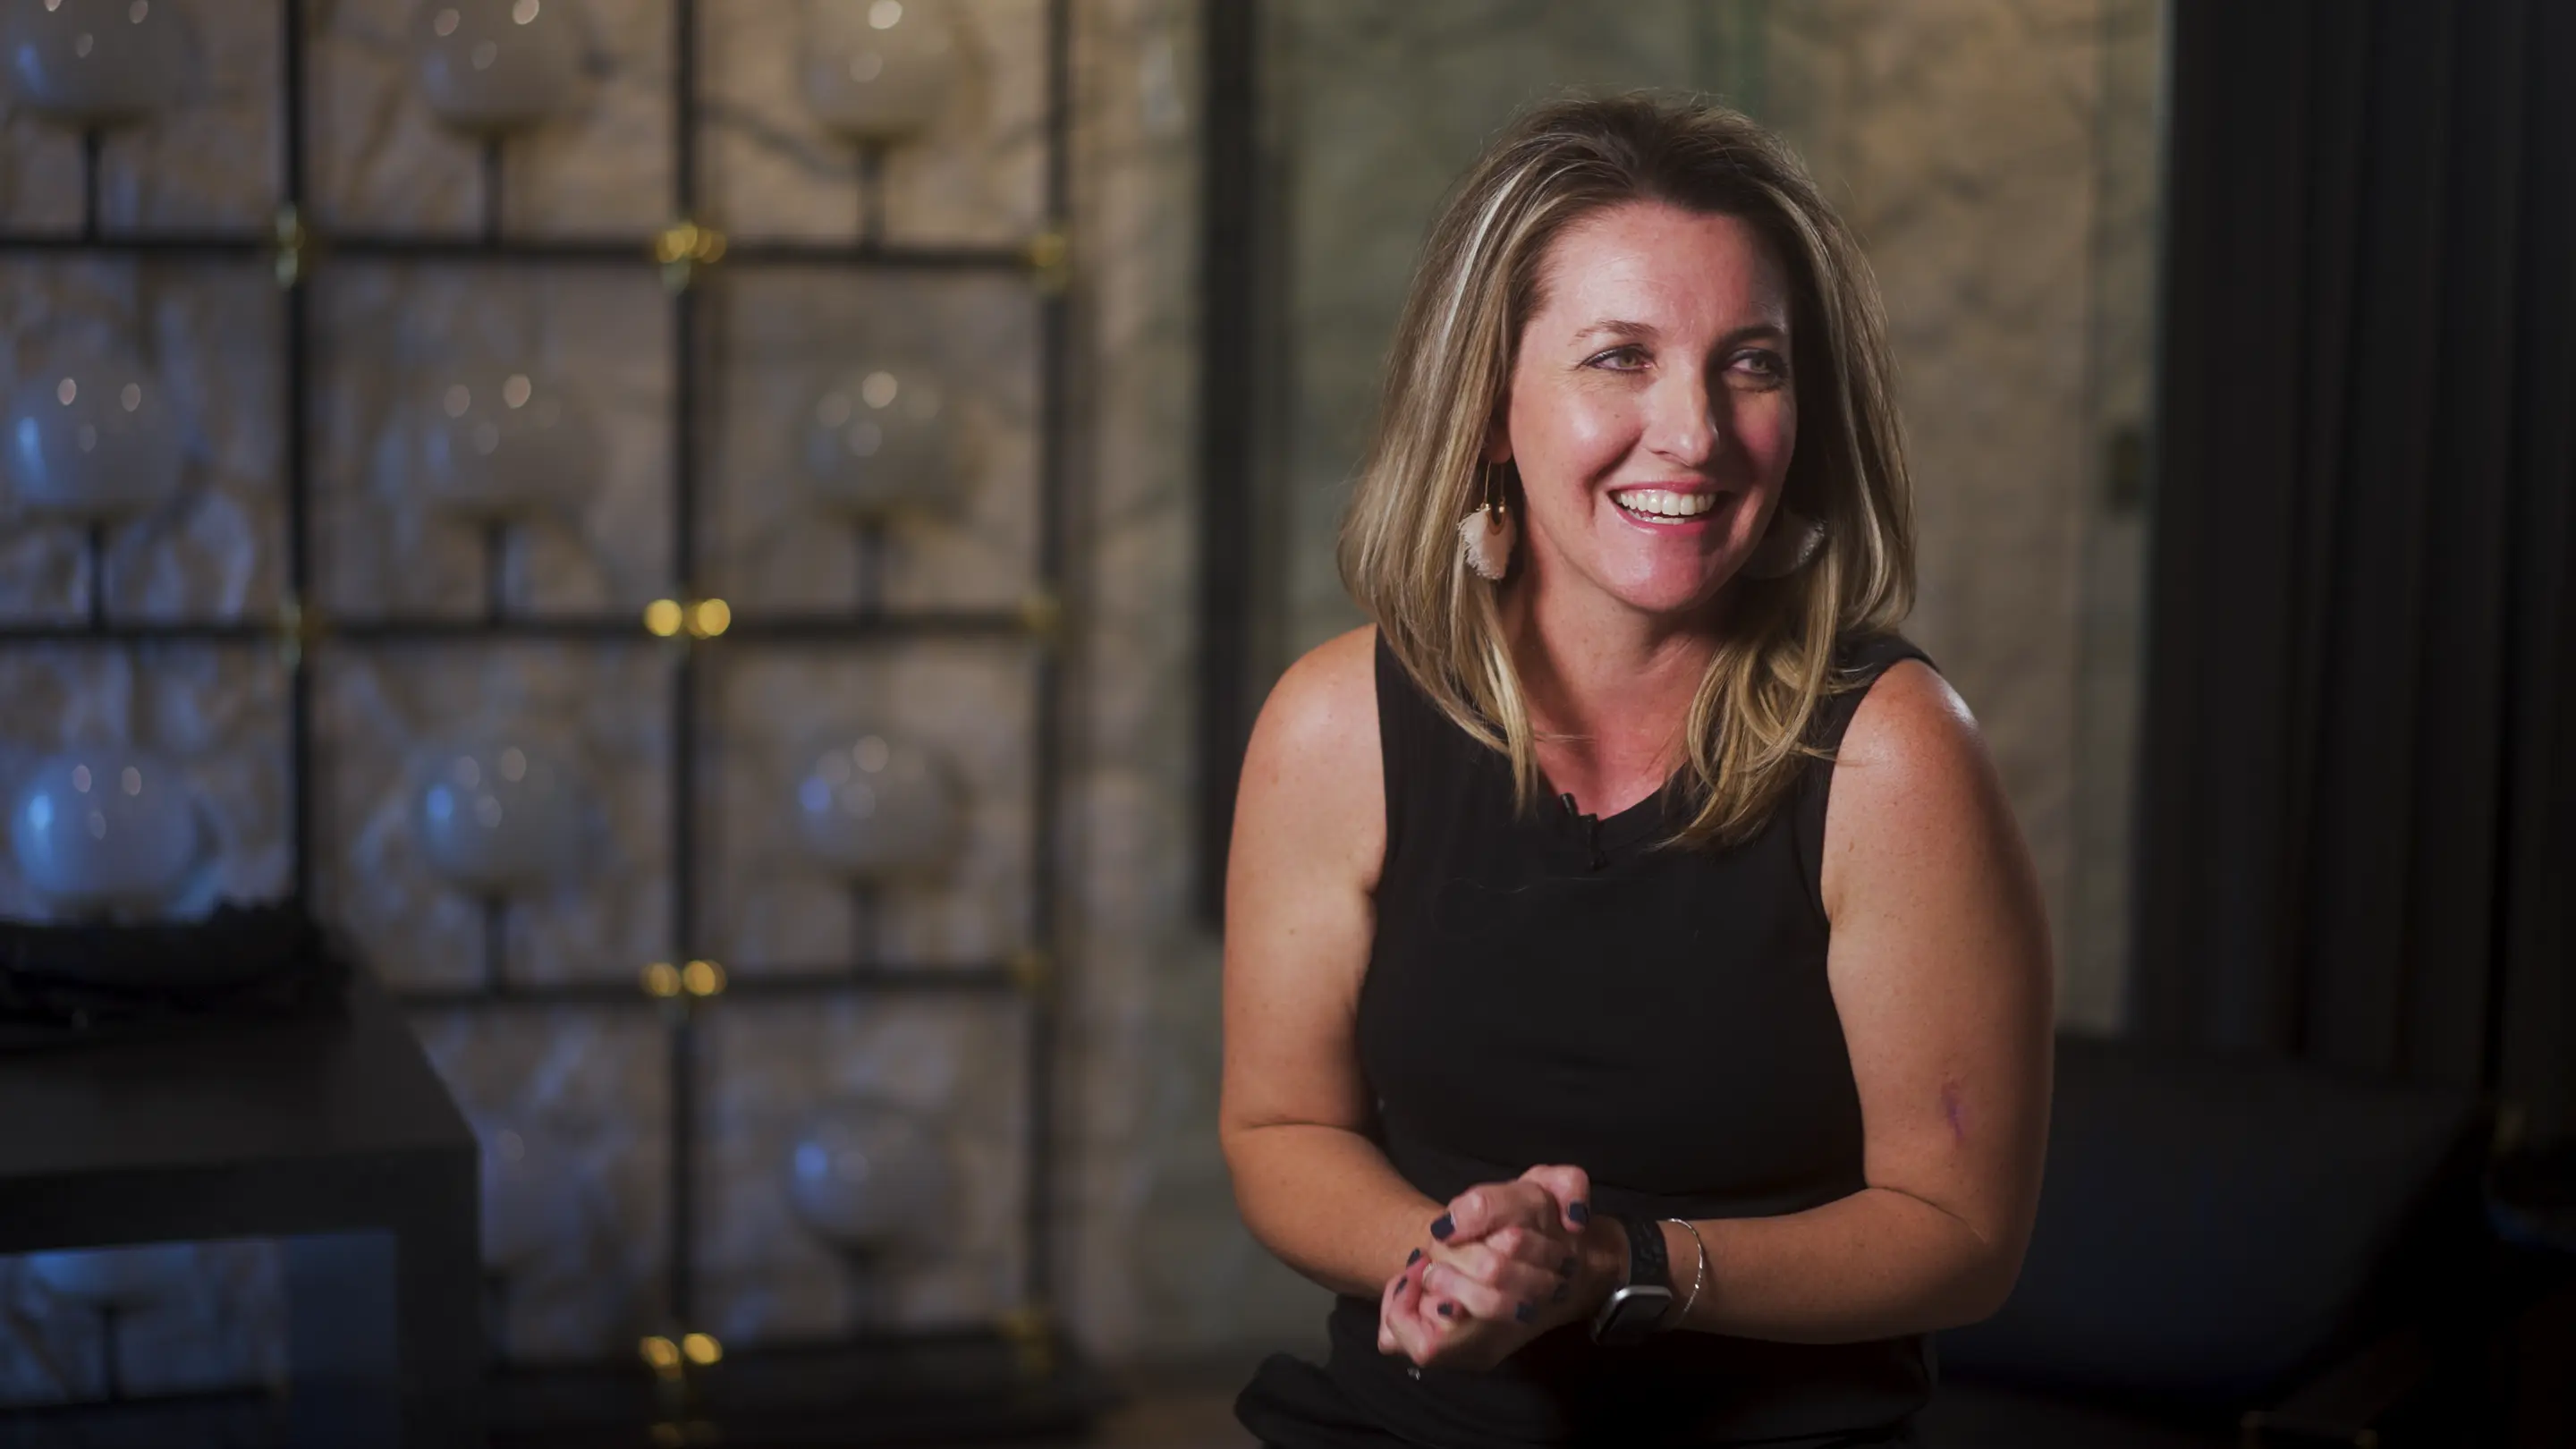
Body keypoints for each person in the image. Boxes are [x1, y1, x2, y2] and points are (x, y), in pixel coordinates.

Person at [1217, 94, 2055, 1448]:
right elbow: (1275, 1130)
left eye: (1753, 364)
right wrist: (1461, 1260)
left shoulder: (1898, 755)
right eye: (1620, 357)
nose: (1696, 433)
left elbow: (1959, 1235)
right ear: (1490, 407)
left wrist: (1620, 1267)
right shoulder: (1332, 726)